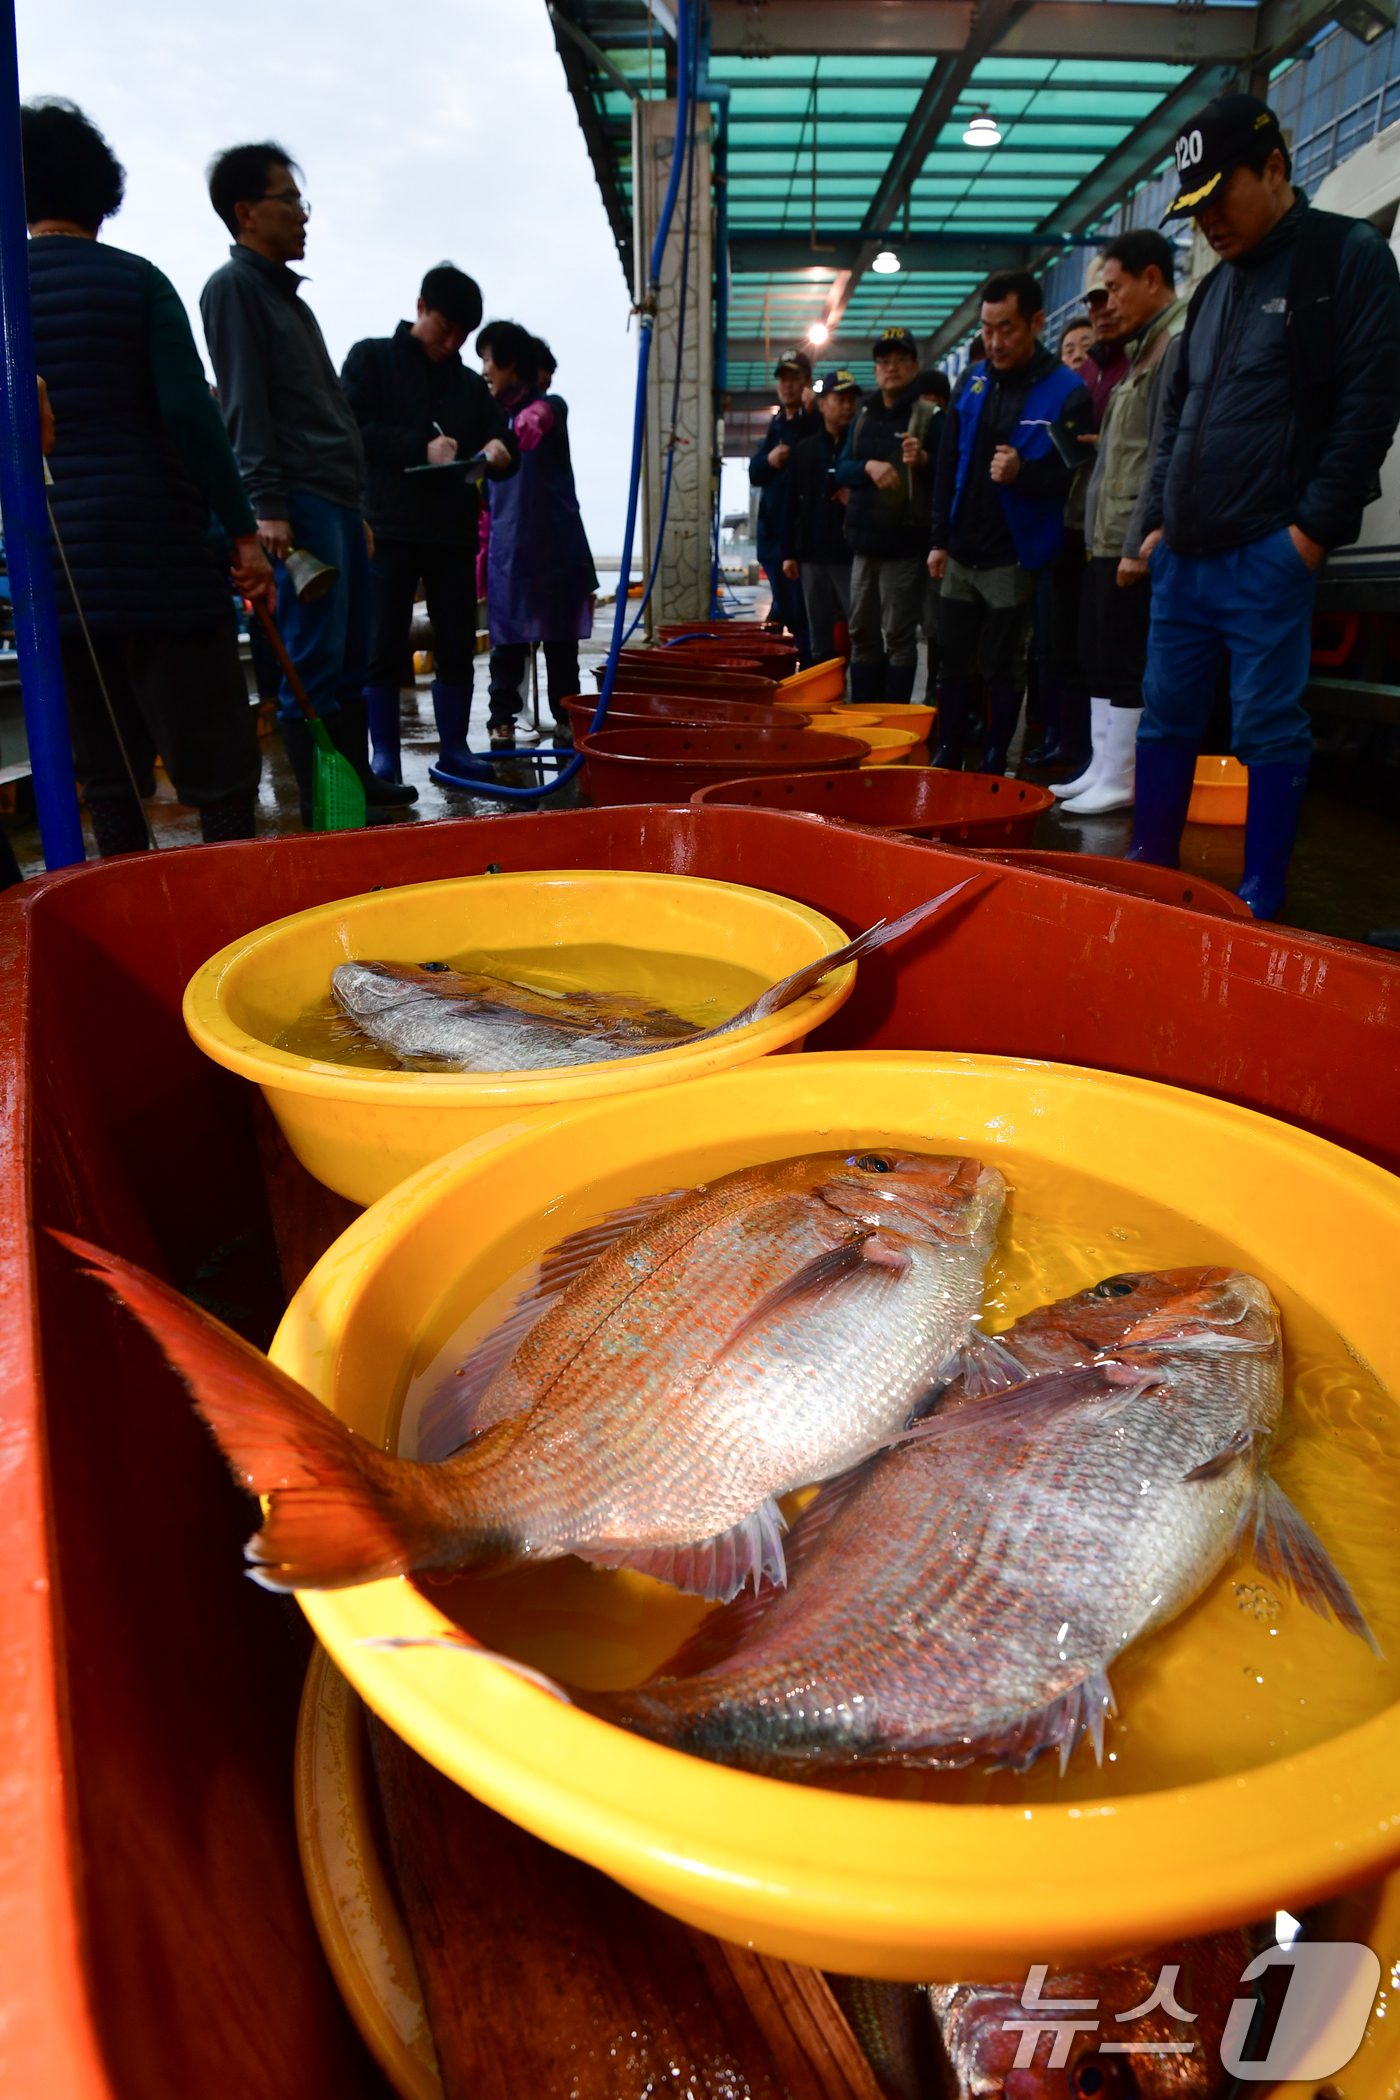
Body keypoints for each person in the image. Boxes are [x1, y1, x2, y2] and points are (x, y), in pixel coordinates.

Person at [1131, 92, 1400, 918]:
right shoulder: (1214, 293)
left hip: (1267, 554)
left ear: (1275, 168)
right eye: (1195, 208)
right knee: (1165, 718)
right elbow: (1178, 417)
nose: (1207, 222)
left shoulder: (1344, 258)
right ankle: (1145, 875)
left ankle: (1261, 899)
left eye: (1220, 197)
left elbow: (1369, 404)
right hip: (1185, 559)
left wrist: (1309, 534)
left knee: (1267, 726)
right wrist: (1154, 528)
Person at [22, 100, 271, 855]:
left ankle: (128, 898)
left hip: (56, 567)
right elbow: (192, 418)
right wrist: (242, 535)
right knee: (217, 763)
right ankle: (230, 896)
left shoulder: (5, 295)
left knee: (107, 774)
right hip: (161, 557)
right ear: (100, 187)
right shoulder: (137, 282)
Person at [201, 141, 416, 822]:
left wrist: (355, 508)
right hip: (296, 502)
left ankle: (357, 784)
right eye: (289, 200)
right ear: (246, 212)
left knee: (351, 652)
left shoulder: (291, 301)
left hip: (336, 501)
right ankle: (326, 808)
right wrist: (267, 506)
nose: (302, 215)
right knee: (312, 661)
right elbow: (244, 404)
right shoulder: (234, 289)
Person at [341, 264, 517, 785]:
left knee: (456, 640)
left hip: (452, 534)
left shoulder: (468, 386)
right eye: (444, 328)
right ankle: (384, 756)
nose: (452, 342)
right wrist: (419, 446)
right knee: (383, 642)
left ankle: (455, 748)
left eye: (462, 335)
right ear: (421, 308)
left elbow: (502, 438)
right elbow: (351, 427)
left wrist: (499, 449)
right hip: (388, 526)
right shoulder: (371, 358)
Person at [927, 272, 1090, 772]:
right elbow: (947, 464)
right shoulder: (971, 381)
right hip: (961, 549)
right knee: (951, 656)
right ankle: (948, 752)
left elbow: (1073, 476)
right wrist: (939, 538)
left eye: (1007, 329)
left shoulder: (1068, 391)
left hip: (1014, 554)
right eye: (987, 328)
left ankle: (995, 760)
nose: (994, 341)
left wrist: (1025, 474)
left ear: (1036, 323)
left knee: (1002, 663)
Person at [1054, 229, 1187, 815]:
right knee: (1100, 653)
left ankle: (1121, 776)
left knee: (1127, 655)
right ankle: (1102, 765)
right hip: (1106, 533)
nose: (1107, 303)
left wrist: (1140, 538)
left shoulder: (1174, 343)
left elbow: (1164, 452)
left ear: (1151, 278)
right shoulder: (1143, 347)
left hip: (1132, 534)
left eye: (1115, 288)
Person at [476, 319, 596, 751]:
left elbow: (544, 415)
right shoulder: (488, 417)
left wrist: (526, 422)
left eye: (488, 360)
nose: (484, 370)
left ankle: (566, 720)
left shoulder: (549, 409)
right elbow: (483, 496)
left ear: (511, 363)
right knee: (506, 645)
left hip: (554, 550)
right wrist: (482, 547)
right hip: (508, 550)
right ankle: (501, 720)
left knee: (560, 644)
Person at [832, 326, 934, 708]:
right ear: (875, 370)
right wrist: (868, 467)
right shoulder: (863, 418)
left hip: (904, 547)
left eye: (900, 360)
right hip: (863, 545)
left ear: (914, 366)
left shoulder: (929, 416)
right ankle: (864, 710)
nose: (891, 368)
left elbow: (949, 474)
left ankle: (894, 715)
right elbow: (841, 470)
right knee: (861, 632)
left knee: (899, 637)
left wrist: (923, 460)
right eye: (884, 361)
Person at [779, 368, 860, 666]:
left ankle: (861, 689)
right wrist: (788, 553)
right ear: (823, 404)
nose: (847, 406)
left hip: (852, 555)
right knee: (818, 635)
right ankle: (825, 688)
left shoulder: (861, 448)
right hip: (812, 554)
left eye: (851, 400)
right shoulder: (806, 449)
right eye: (840, 399)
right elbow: (791, 502)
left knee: (861, 628)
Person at [748, 349, 818, 648]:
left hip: (801, 537)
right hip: (772, 538)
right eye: (783, 379)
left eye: (795, 378)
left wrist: (814, 411)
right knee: (788, 607)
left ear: (807, 383)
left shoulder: (814, 422)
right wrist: (770, 460)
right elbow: (755, 471)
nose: (787, 385)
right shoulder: (776, 425)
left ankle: (813, 664)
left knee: (803, 613)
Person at [1081, 279, 1129, 424]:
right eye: (1095, 304)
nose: (1103, 311)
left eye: (1110, 300)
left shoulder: (1141, 360)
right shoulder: (1085, 369)